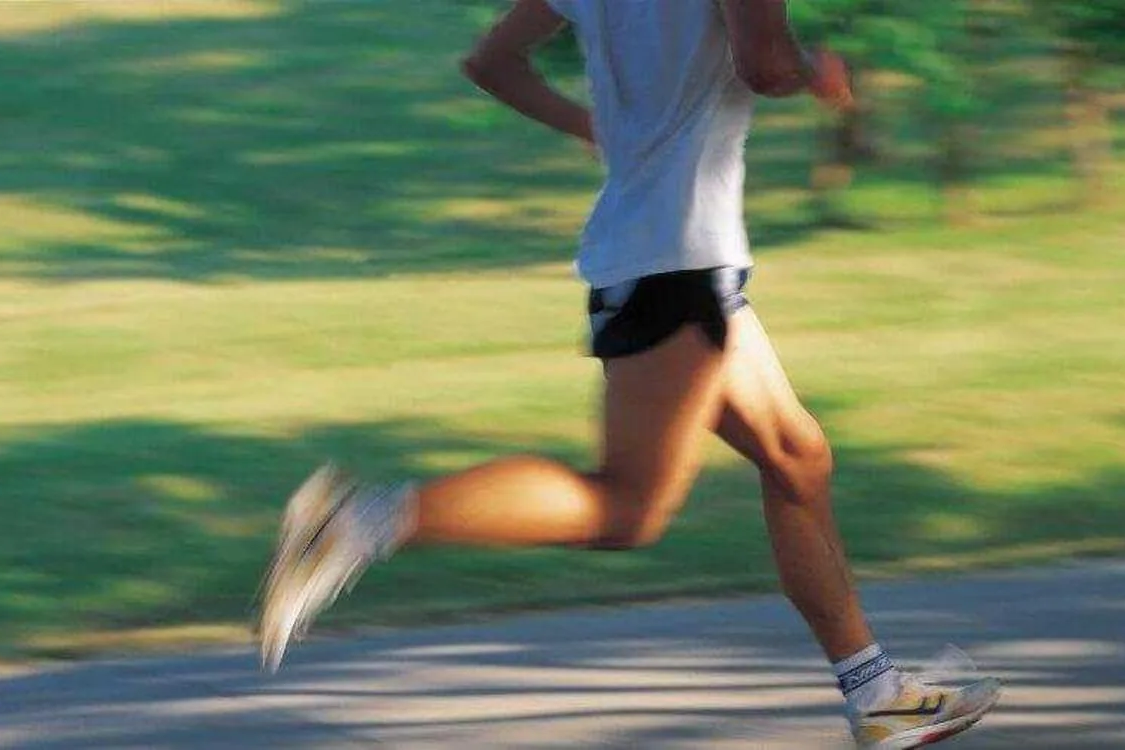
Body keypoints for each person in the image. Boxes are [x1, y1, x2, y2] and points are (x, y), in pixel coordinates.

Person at [257, 1, 1001, 747]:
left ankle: (879, 697)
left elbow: (491, 62)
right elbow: (766, 64)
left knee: (797, 456)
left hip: (656, 253)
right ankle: (354, 522)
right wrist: (818, 73)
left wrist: (598, 127)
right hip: (679, 261)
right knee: (625, 508)